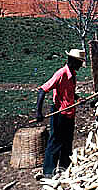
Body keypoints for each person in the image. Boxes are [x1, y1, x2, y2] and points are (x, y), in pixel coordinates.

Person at [36, 49, 85, 178]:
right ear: (73, 61)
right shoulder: (61, 74)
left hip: (70, 113)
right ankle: (48, 172)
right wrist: (38, 113)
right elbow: (42, 90)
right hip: (59, 113)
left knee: (67, 142)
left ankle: (64, 168)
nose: (81, 66)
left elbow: (69, 92)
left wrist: (77, 98)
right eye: (80, 63)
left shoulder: (72, 74)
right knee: (55, 141)